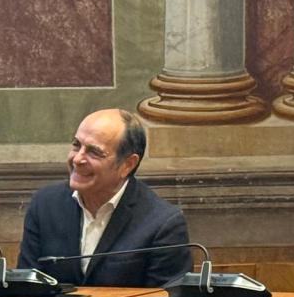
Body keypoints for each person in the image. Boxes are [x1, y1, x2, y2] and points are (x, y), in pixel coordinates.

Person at [16, 108, 191, 287]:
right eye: (76, 145)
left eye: (94, 152)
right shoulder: (45, 205)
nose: (77, 159)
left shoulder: (163, 223)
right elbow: (25, 288)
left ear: (127, 165)